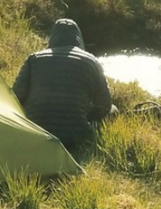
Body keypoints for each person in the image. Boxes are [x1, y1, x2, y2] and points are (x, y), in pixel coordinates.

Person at [12, 18, 113, 147]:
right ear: (79, 38)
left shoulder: (34, 59)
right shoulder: (91, 61)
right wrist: (85, 115)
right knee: (113, 110)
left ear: (53, 37)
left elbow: (16, 96)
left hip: (35, 132)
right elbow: (105, 105)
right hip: (77, 136)